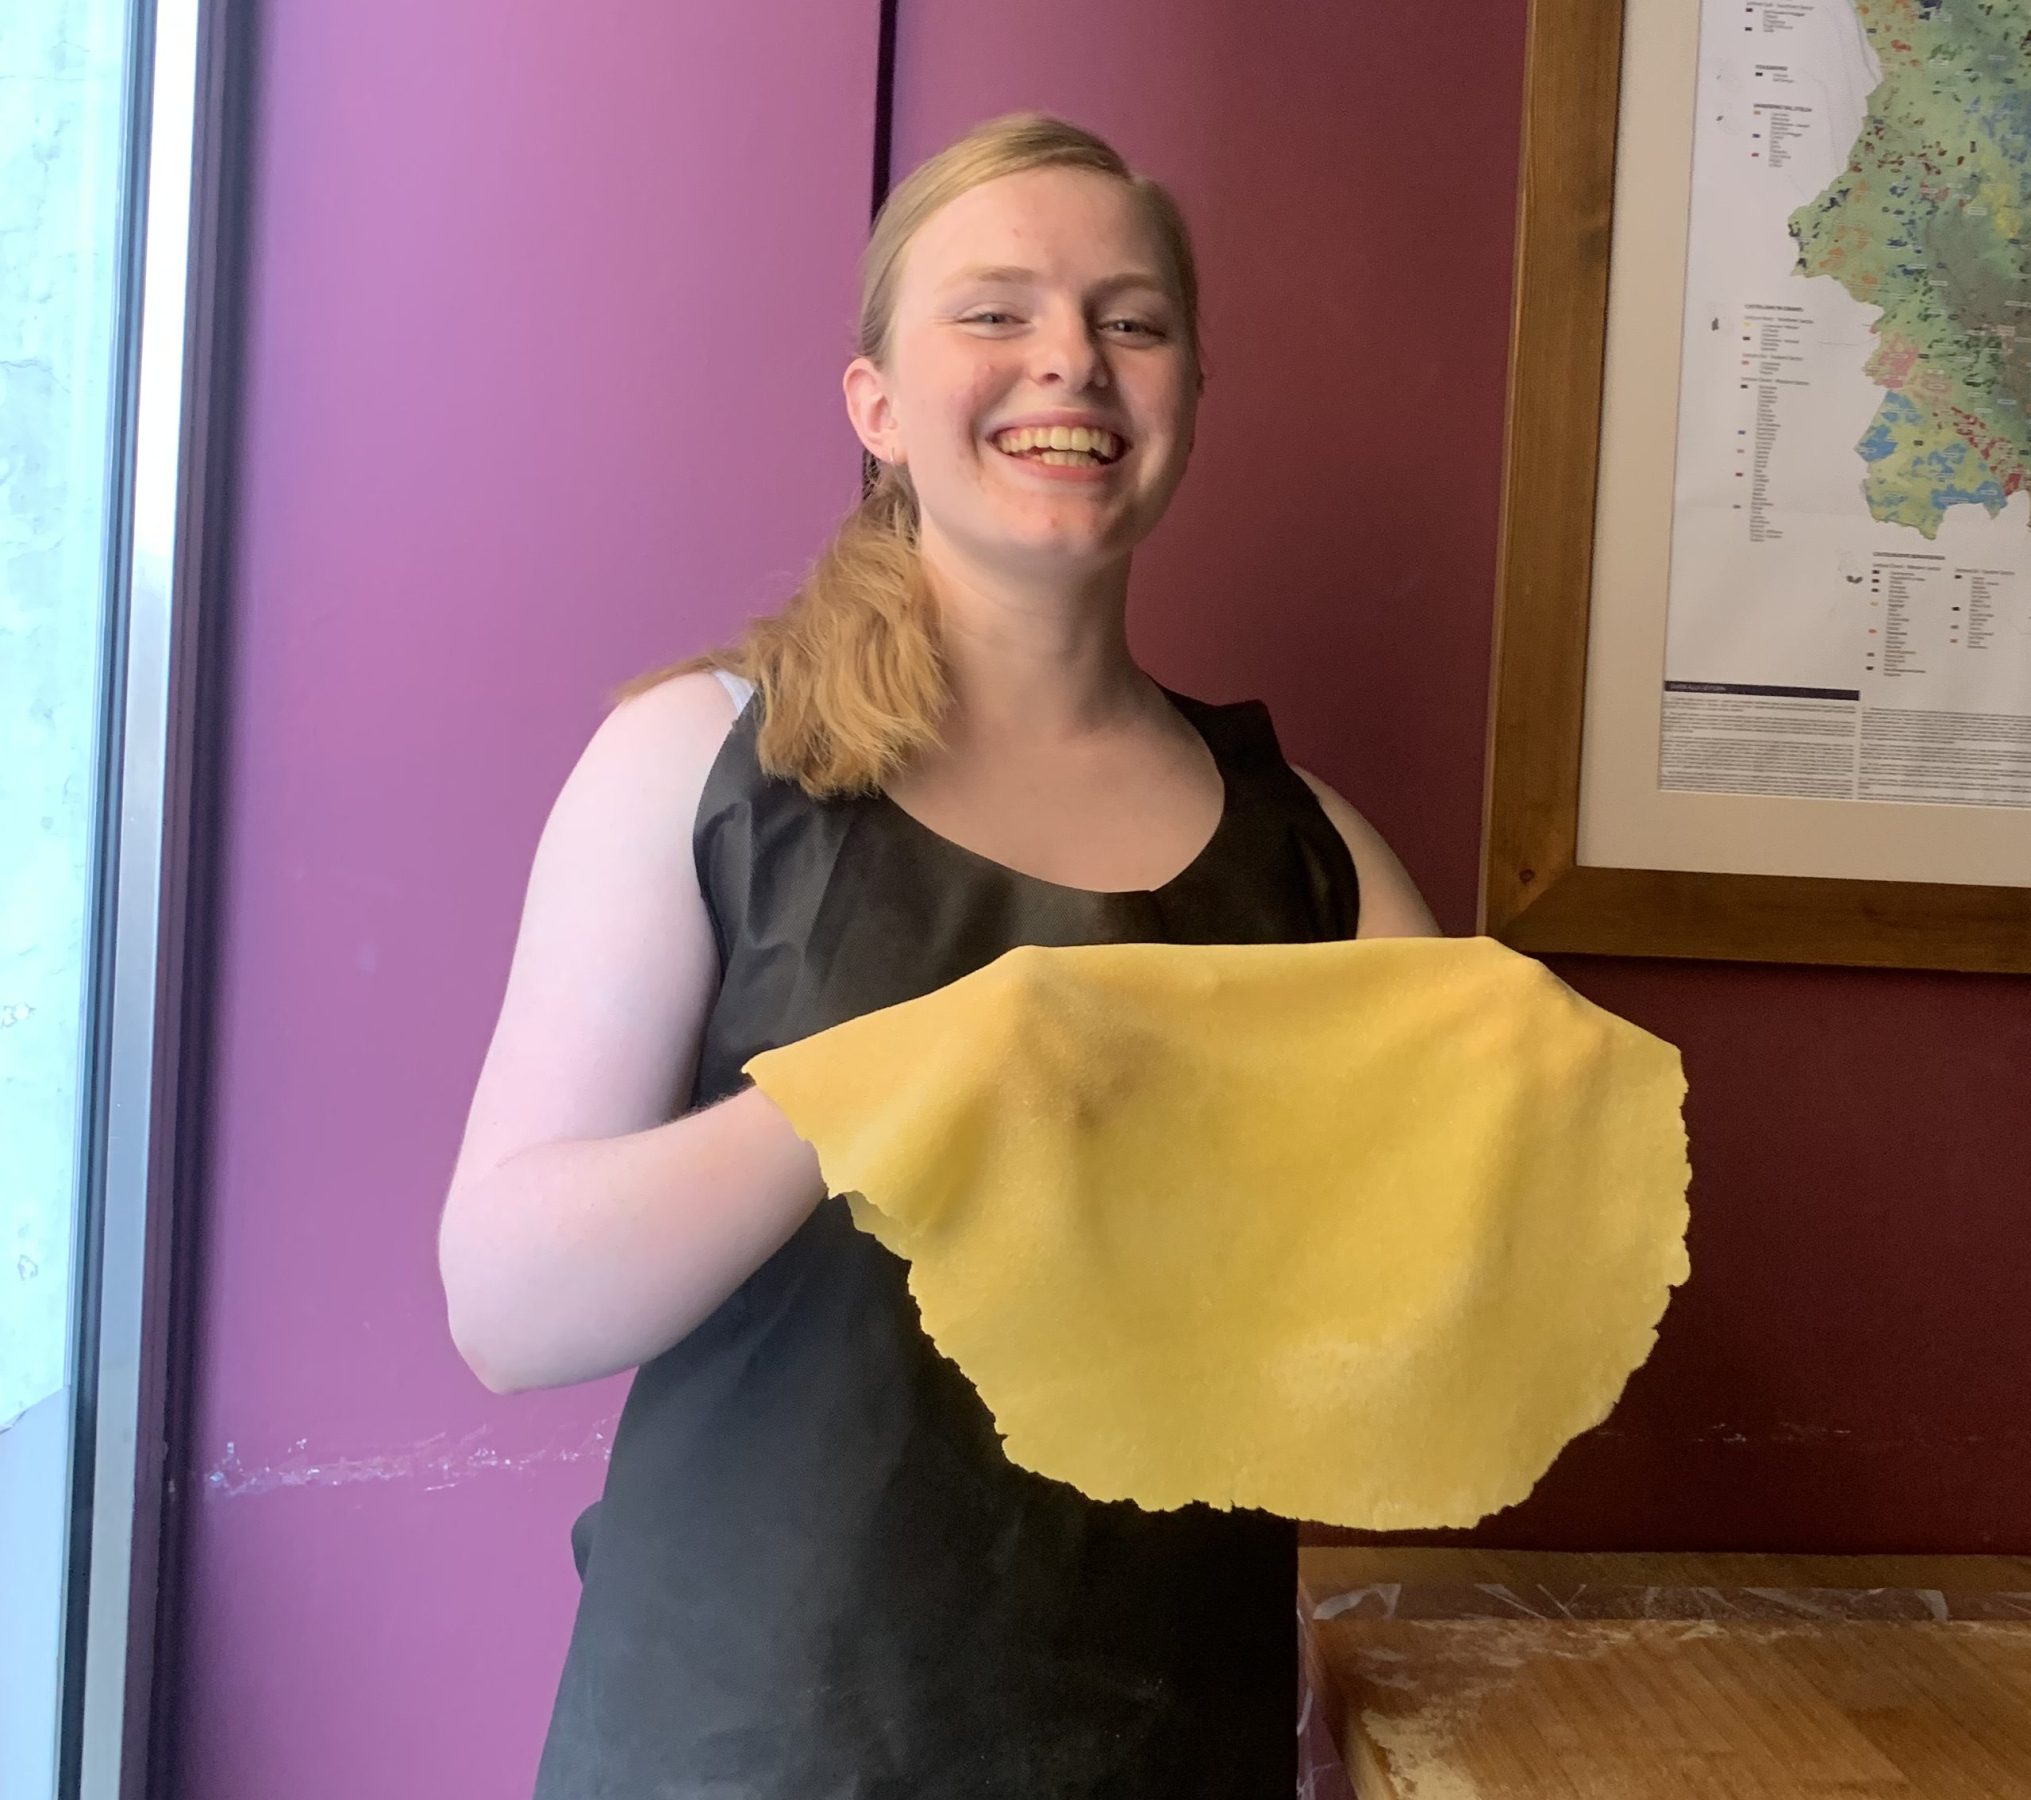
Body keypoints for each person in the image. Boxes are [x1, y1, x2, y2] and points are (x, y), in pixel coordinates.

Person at [438, 112, 1438, 1799]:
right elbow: (510, 1305)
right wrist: (893, 1081)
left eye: (1133, 320)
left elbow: (1414, 1337)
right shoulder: (697, 760)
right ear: (879, 405)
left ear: (1187, 394)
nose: (1073, 359)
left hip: (1158, 1743)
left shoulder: (1317, 856)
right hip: (738, 1744)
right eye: (995, 311)